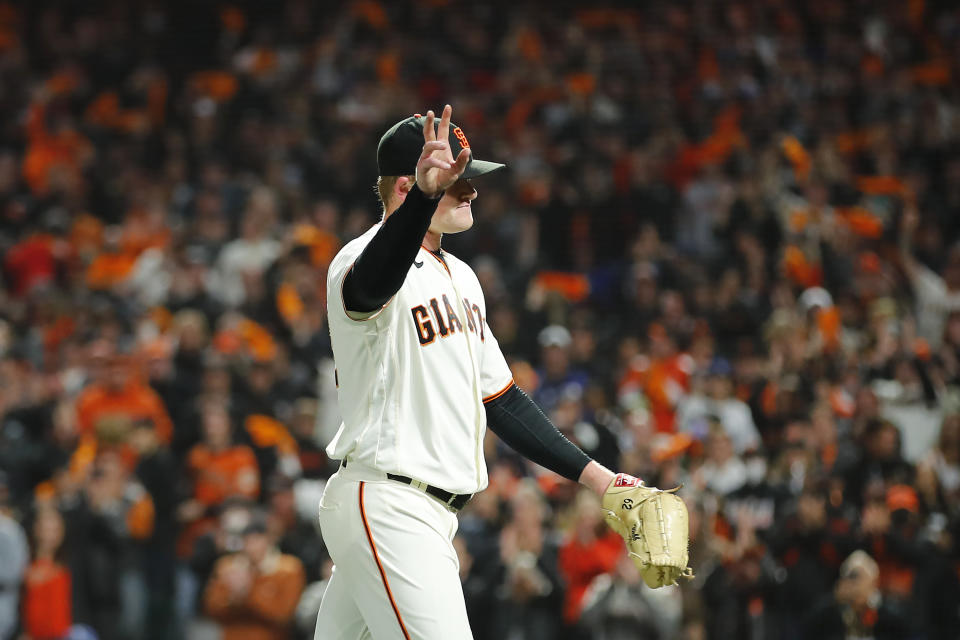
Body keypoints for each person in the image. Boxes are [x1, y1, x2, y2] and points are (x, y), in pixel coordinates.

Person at [314, 105, 648, 639]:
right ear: (408, 185)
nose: (471, 192)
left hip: (421, 513)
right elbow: (369, 287)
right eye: (457, 183)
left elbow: (504, 400)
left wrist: (603, 481)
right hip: (390, 503)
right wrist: (425, 200)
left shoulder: (463, 278)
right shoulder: (358, 260)